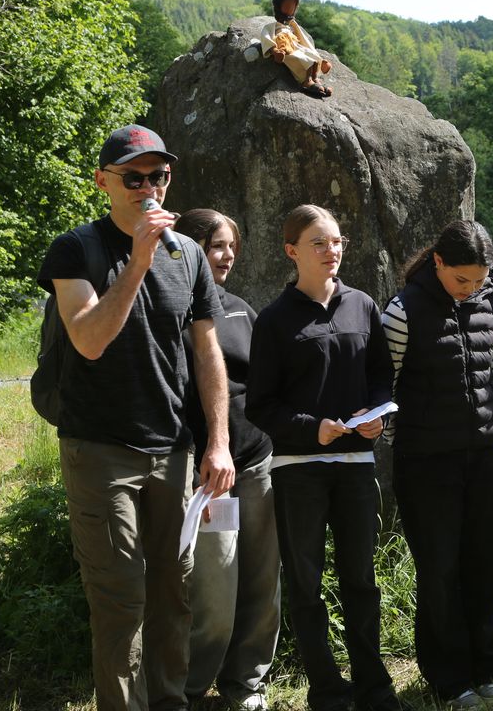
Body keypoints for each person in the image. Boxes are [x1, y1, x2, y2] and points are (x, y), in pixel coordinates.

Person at [37, 124, 235, 711]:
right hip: (99, 449)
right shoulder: (76, 250)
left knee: (172, 592)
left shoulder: (190, 253)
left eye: (160, 176)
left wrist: (217, 442)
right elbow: (89, 340)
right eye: (134, 178)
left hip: (171, 450)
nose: (149, 188)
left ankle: (169, 702)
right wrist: (138, 260)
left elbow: (207, 352)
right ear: (104, 183)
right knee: (120, 596)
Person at [246, 205, 401, 711]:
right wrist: (315, 429)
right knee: (306, 584)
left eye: (337, 241)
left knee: (361, 580)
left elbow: (381, 375)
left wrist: (379, 414)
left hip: (357, 467)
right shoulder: (273, 320)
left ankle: (375, 689)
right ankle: (329, 693)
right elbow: (261, 405)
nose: (331, 251)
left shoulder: (363, 305)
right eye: (319, 243)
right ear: (292, 251)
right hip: (298, 471)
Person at [380, 221, 493, 709]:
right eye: (462, 280)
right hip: (425, 463)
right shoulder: (402, 311)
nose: (472, 289)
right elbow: (384, 387)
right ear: (437, 262)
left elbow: (491, 375)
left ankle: (487, 665)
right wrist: (405, 440)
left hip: (480, 457)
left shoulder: (490, 303)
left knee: (487, 563)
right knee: (440, 569)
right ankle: (450, 678)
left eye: (479, 280)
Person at [175, 209, 280, 711]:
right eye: (218, 245)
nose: (227, 255)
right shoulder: (172, 309)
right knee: (214, 592)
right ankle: (192, 688)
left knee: (262, 582)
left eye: (231, 247)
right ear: (192, 248)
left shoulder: (240, 309)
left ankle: (247, 684)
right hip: (207, 476)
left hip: (256, 463)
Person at [260, 0, 334, 98]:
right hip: (286, 50)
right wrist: (275, 51)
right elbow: (266, 38)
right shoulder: (272, 27)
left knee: (311, 56)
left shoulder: (292, 26)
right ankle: (307, 81)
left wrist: (318, 57)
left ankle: (315, 79)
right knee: (303, 59)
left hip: (296, 45)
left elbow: (303, 38)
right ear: (278, 6)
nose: (291, 8)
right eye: (287, 5)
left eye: (293, 5)